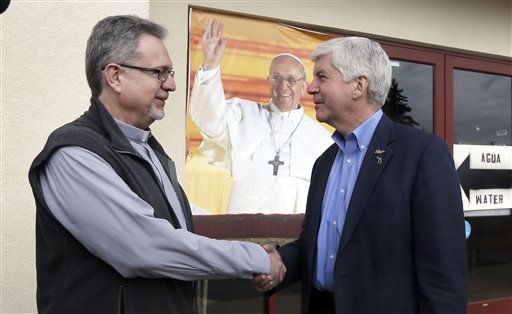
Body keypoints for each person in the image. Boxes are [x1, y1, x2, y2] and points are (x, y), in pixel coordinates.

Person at [27, 15, 285, 314]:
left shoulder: (149, 150)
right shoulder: (74, 153)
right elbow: (144, 247)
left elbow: (176, 232)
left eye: (170, 72)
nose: (172, 85)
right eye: (159, 72)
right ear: (115, 76)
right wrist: (256, 258)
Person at [255, 36, 468, 313]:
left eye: (322, 76)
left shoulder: (422, 155)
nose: (310, 88)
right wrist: (280, 262)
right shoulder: (325, 162)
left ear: (359, 85)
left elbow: (444, 277)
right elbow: (317, 244)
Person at [189, 19, 333, 214]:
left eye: (291, 79)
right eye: (276, 78)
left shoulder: (321, 139)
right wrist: (210, 66)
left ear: (303, 86)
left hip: (294, 236)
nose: (283, 86)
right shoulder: (242, 114)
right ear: (268, 81)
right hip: (243, 229)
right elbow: (209, 119)